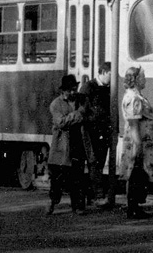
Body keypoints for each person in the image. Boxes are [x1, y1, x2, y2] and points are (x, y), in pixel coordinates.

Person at [46, 73, 92, 215]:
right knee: (57, 178)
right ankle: (52, 202)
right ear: (63, 91)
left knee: (77, 177)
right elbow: (61, 122)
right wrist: (79, 115)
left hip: (77, 144)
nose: (73, 92)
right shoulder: (55, 104)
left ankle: (77, 206)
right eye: (70, 90)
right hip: (61, 147)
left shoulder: (82, 100)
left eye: (74, 89)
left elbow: (90, 115)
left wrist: (75, 117)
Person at [117, 66, 153, 218]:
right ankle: (132, 208)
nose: (145, 79)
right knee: (135, 173)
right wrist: (139, 145)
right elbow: (134, 123)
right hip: (137, 142)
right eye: (143, 76)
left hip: (139, 141)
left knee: (137, 173)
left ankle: (134, 207)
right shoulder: (133, 98)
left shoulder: (136, 96)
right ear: (135, 80)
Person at [79, 62, 118, 209]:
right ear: (102, 72)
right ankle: (98, 196)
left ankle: (92, 196)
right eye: (110, 75)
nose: (111, 78)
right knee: (94, 162)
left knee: (99, 163)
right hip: (91, 132)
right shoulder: (88, 88)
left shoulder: (109, 89)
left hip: (104, 132)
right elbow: (82, 110)